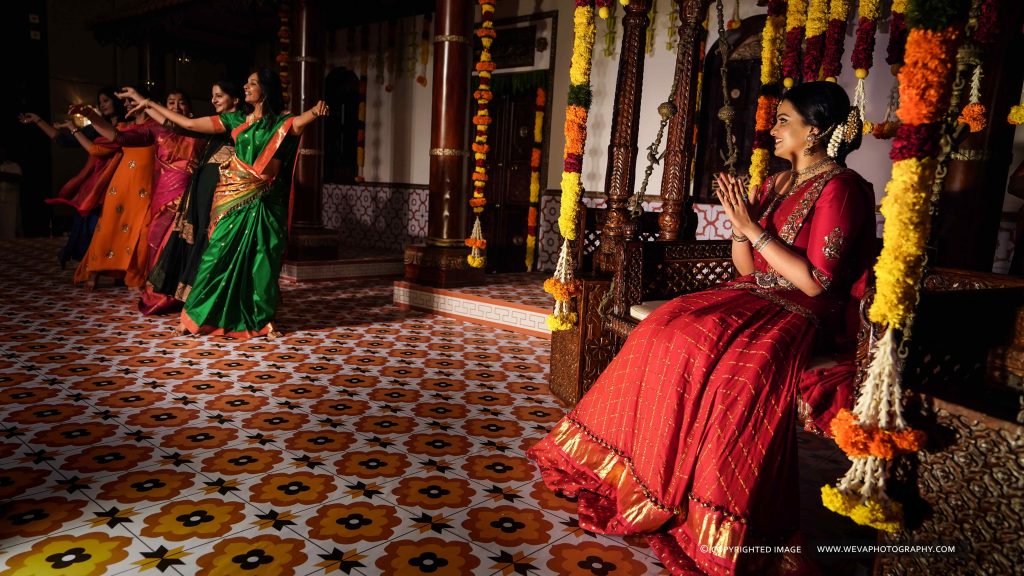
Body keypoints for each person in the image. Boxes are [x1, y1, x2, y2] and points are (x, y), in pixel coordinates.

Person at [527, 81, 875, 576]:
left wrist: (754, 229)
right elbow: (747, 267)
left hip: (803, 311)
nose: (773, 130)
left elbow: (817, 283)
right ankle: (644, 476)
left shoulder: (842, 188)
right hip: (756, 293)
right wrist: (740, 225)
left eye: (783, 120)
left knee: (710, 351)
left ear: (814, 132)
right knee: (666, 327)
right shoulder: (776, 184)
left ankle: (702, 507)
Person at [117, 68, 328, 338]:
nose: (246, 86)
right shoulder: (236, 120)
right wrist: (149, 104)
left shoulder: (281, 122)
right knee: (215, 257)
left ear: (266, 88)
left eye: (252, 83)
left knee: (262, 259)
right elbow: (189, 125)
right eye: (247, 81)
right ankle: (194, 317)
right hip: (234, 200)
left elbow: (297, 125)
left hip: (265, 202)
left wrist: (314, 112)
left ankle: (260, 320)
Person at [145, 81, 246, 313]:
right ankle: (196, 301)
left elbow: (187, 123)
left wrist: (150, 103)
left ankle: (208, 302)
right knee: (198, 239)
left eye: (219, 95)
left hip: (219, 191)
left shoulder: (235, 121)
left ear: (236, 99)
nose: (214, 100)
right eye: (212, 96)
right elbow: (180, 127)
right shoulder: (223, 121)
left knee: (210, 241)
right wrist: (147, 106)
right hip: (203, 188)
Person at [18, 88, 127, 267]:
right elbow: (61, 139)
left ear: (117, 101)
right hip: (98, 182)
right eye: (100, 102)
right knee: (88, 221)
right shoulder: (95, 127)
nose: (102, 105)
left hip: (122, 179)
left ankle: (115, 265)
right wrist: (38, 120)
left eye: (106, 100)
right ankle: (89, 263)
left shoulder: (128, 125)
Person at [125, 89, 203, 314]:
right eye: (171, 102)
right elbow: (120, 139)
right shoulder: (156, 129)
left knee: (182, 240)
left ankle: (183, 293)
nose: (177, 106)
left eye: (182, 102)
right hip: (163, 193)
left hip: (189, 192)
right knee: (156, 238)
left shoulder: (198, 128)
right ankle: (159, 291)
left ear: (189, 106)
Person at [70, 88, 158, 289]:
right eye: (125, 102)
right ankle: (95, 271)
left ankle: (129, 273)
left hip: (146, 187)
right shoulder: (124, 128)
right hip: (121, 186)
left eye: (130, 101)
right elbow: (100, 146)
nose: (127, 105)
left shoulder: (157, 127)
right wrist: (85, 119)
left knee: (139, 231)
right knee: (109, 228)